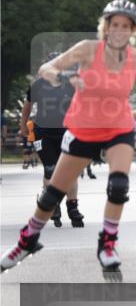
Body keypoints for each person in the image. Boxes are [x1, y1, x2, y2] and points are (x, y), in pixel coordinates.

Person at [2, 0, 136, 275]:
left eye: (126, 26)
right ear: (106, 27)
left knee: (119, 184)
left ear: (133, 30)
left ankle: (107, 244)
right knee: (52, 194)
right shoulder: (88, 50)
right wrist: (65, 79)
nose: (120, 30)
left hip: (119, 127)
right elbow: (46, 69)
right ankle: (27, 241)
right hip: (83, 127)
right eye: (115, 25)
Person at [20, 51, 86, 227]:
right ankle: (53, 204)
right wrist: (23, 127)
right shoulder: (38, 85)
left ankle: (73, 207)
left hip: (67, 132)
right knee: (50, 169)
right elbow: (27, 106)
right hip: (44, 133)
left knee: (70, 171)